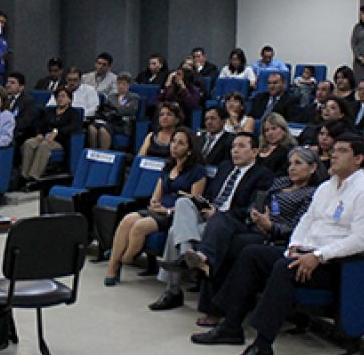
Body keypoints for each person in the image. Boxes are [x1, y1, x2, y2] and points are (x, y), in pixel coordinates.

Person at [192, 133, 364, 355]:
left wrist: (318, 256)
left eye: (342, 151)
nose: (334, 155)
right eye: (334, 150)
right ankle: (230, 326)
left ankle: (262, 347)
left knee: (283, 268)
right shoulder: (326, 187)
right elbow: (307, 220)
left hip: (336, 265)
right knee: (252, 254)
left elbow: (360, 241)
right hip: (304, 252)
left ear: (358, 159)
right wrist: (294, 245)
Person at [169, 132, 275, 315]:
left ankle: (180, 278)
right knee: (183, 203)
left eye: (241, 146)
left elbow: (251, 209)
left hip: (234, 221)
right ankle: (188, 253)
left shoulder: (263, 175)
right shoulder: (225, 167)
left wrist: (217, 213)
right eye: (233, 147)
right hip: (210, 214)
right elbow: (212, 195)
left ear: (255, 151)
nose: (235, 150)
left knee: (174, 232)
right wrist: (204, 205)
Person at [104, 126, 206, 288]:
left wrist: (167, 211)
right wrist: (154, 203)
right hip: (159, 210)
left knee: (139, 226)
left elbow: (193, 204)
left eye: (180, 143)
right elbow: (157, 194)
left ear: (190, 149)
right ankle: (112, 268)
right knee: (127, 220)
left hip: (176, 215)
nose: (175, 146)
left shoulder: (198, 171)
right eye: (173, 141)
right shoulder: (168, 166)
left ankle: (124, 259)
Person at [20, 87, 84, 183]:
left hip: (60, 140)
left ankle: (34, 176)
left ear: (69, 99)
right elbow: (40, 125)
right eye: (58, 96)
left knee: (44, 146)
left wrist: (56, 132)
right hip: (45, 137)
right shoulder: (50, 111)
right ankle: (24, 175)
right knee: (29, 143)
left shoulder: (73, 113)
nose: (60, 99)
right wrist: (39, 133)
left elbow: (73, 127)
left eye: (63, 96)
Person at [88, 73, 139, 150]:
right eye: (119, 83)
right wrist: (115, 110)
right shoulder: (111, 97)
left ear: (129, 85)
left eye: (124, 84)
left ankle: (104, 153)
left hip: (123, 124)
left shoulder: (133, 97)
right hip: (110, 121)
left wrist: (114, 110)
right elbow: (105, 110)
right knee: (92, 128)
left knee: (103, 130)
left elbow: (129, 111)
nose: (121, 86)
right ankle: (93, 152)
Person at [3, 72, 40, 147]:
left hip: (20, 134)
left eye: (12, 83)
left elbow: (24, 122)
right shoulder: (2, 99)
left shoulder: (28, 101)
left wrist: (7, 127)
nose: (8, 85)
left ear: (21, 87)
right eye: (7, 82)